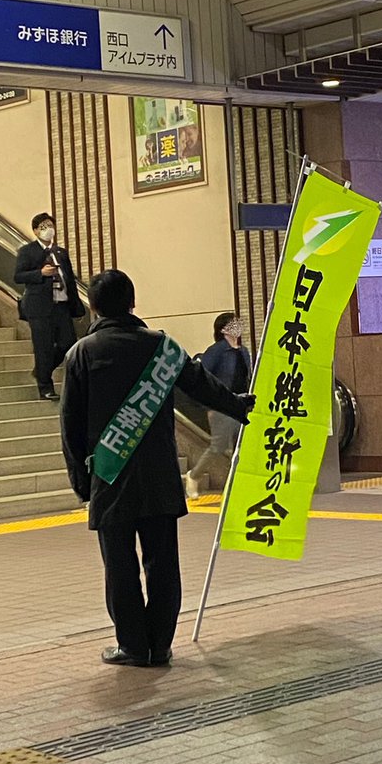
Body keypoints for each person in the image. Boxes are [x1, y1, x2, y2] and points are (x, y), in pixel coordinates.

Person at [60, 271, 254, 669]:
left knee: (120, 566)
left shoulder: (82, 353)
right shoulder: (162, 347)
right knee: (163, 563)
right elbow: (202, 386)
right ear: (133, 302)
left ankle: (133, 646)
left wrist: (82, 484)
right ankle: (160, 644)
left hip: (110, 476)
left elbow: (71, 426)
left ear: (93, 306)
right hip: (160, 474)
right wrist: (240, 406)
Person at [14, 213, 85, 401]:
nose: (48, 229)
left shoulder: (61, 252)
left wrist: (76, 306)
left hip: (61, 304)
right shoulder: (28, 251)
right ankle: (45, 387)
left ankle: (41, 371)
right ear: (36, 230)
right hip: (39, 307)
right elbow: (18, 276)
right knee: (43, 346)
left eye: (50, 225)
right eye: (43, 226)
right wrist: (40, 273)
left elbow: (70, 281)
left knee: (68, 343)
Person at [185, 312, 251, 499]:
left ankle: (237, 484)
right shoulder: (216, 351)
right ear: (223, 330)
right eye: (234, 324)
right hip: (221, 405)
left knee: (241, 446)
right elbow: (202, 378)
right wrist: (209, 406)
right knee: (219, 446)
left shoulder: (243, 351)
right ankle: (194, 475)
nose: (238, 327)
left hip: (242, 404)